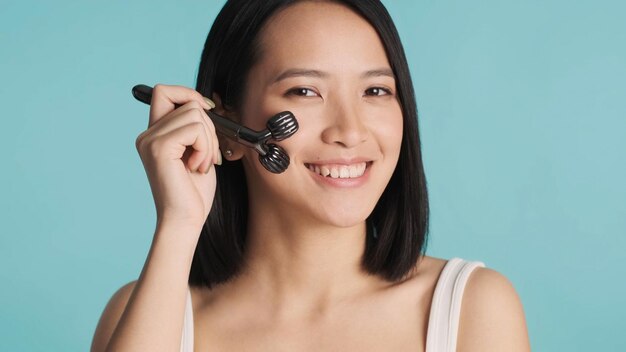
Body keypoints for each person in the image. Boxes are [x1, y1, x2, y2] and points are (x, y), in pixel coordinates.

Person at [91, 0, 530, 351]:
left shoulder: (472, 308)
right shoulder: (143, 312)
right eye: (305, 91)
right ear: (226, 122)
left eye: (375, 90)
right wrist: (179, 224)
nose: (349, 131)